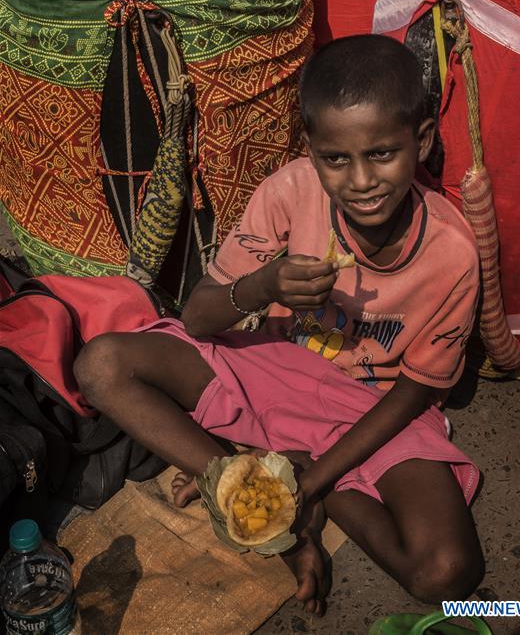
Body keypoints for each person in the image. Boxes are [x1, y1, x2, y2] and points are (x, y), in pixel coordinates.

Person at [75, 35, 485, 616]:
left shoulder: (452, 253)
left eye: (382, 154)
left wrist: (313, 481)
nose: (361, 181)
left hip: (376, 409)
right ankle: (238, 481)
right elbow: (196, 316)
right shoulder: (291, 191)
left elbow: (416, 391)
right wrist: (262, 286)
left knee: (445, 573)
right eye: (336, 159)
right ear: (312, 150)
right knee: (103, 364)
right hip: (275, 367)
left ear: (420, 142)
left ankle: (294, 483)